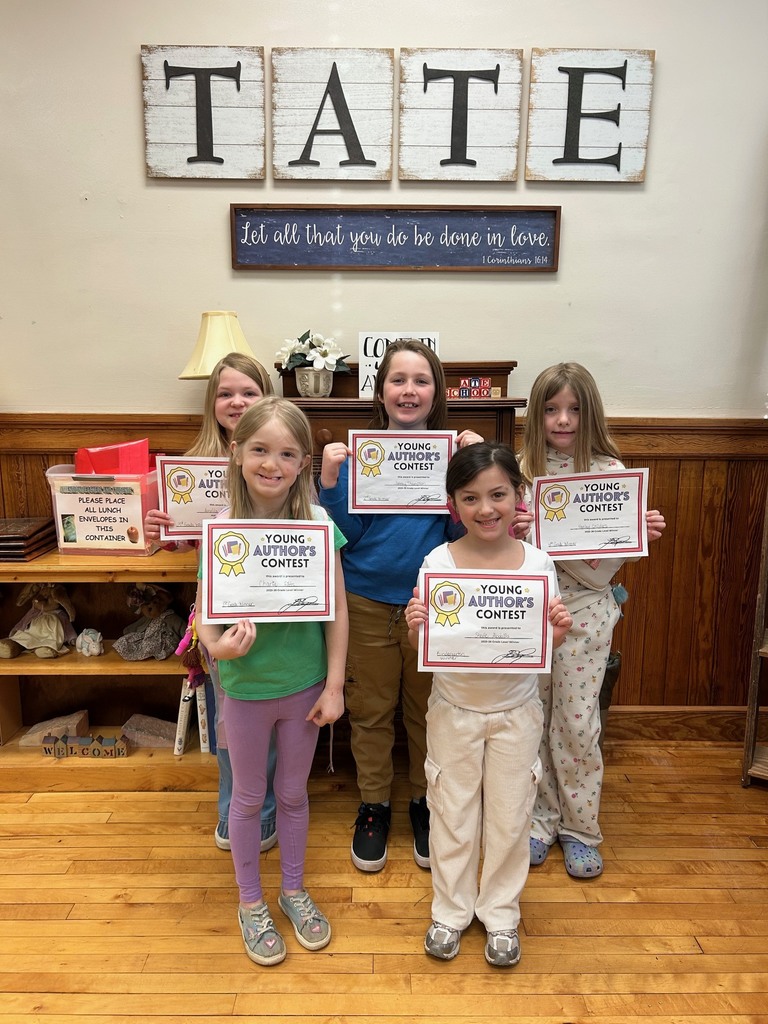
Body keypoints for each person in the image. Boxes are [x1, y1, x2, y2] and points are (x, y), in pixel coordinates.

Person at [404, 441, 573, 967]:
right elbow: (424, 648)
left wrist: (558, 632)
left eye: (498, 494)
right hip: (453, 709)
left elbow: (545, 643)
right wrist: (416, 630)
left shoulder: (538, 563)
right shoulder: (438, 561)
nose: (486, 508)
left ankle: (501, 913)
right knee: (450, 811)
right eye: (470, 497)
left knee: (509, 813)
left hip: (517, 711)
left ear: (518, 497)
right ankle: (450, 911)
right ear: (453, 504)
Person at [318, 339, 482, 872]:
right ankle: (374, 805)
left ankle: (423, 802)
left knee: (427, 713)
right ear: (380, 391)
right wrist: (330, 483)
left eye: (421, 380)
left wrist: (469, 469)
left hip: (431, 606)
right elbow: (344, 535)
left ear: (436, 394)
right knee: (370, 713)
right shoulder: (356, 456)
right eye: (398, 380)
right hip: (363, 602)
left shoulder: (450, 457)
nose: (409, 390)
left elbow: (462, 531)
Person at [195, 397, 348, 966]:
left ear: (303, 463)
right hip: (245, 689)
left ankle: (292, 889)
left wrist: (334, 685)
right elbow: (207, 617)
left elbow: (336, 611)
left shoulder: (317, 524)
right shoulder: (223, 532)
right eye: (260, 450)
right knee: (248, 796)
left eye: (286, 454)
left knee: (292, 794)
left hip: (305, 687)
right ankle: (250, 900)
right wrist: (215, 645)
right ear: (236, 454)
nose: (272, 464)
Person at [517, 362, 666, 879]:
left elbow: (602, 571)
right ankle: (540, 821)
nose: (562, 420)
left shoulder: (610, 473)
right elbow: (499, 548)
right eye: (552, 409)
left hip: (586, 615)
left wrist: (634, 530)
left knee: (577, 724)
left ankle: (581, 828)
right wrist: (525, 530)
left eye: (574, 409)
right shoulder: (521, 473)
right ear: (536, 415)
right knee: (534, 722)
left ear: (590, 413)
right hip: (529, 617)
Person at [144, 353, 279, 854]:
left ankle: (262, 807)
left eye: (249, 392)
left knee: (268, 711)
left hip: (275, 603)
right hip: (219, 611)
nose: (237, 402)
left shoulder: (278, 457)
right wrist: (165, 532)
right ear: (212, 402)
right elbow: (185, 541)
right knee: (229, 715)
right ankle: (234, 801)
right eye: (226, 393)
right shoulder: (192, 466)